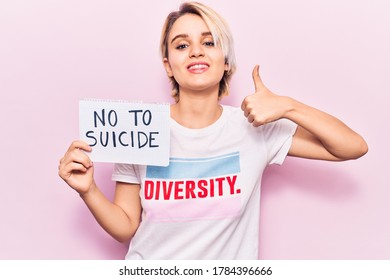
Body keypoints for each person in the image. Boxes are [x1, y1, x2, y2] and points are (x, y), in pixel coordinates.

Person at [58, 2, 368, 259]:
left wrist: (288, 106)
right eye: (182, 45)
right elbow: (125, 226)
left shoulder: (254, 128)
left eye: (209, 42)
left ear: (225, 60)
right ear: (168, 65)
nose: (195, 51)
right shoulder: (139, 127)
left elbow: (352, 147)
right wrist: (89, 190)